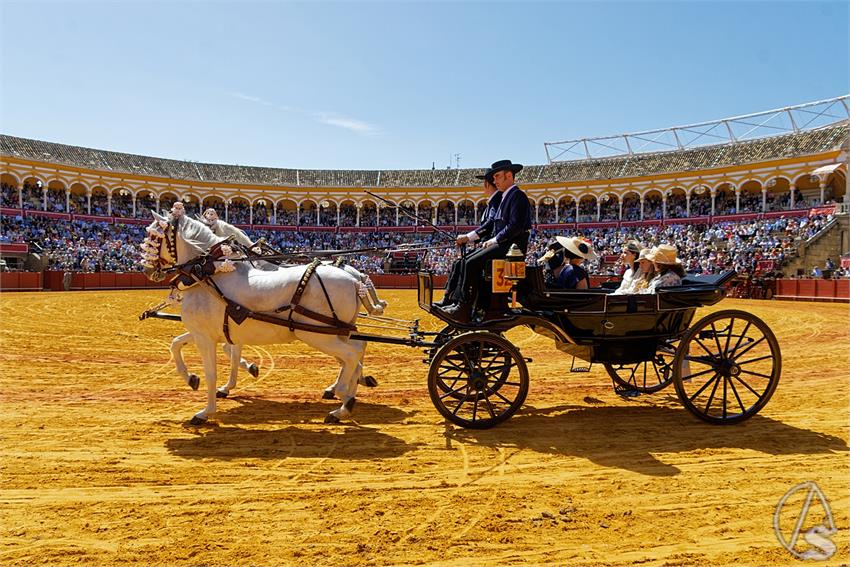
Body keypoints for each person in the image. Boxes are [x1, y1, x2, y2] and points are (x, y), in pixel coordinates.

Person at [440, 160, 532, 322]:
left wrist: (495, 240)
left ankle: (463, 307)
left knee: (470, 263)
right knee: (467, 260)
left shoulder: (517, 196)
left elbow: (515, 226)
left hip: (511, 248)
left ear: (509, 175)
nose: (494, 181)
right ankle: (467, 304)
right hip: (505, 245)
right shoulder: (507, 197)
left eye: (497, 176)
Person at [435, 172, 503, 306]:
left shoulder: (497, 199)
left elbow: (489, 226)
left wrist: (467, 237)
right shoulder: (494, 200)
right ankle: (450, 297)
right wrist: (470, 239)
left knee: (465, 263)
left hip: (492, 246)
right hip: (488, 244)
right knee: (458, 263)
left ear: (486, 184)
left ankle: (462, 301)